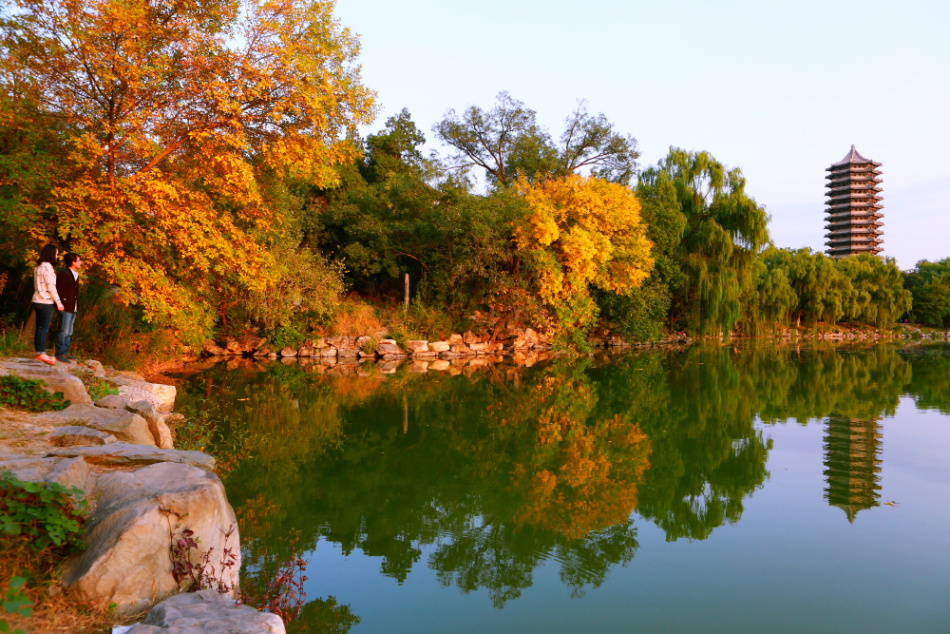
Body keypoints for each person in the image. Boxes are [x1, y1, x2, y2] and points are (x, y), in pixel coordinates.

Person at [32, 244, 64, 365]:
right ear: (51, 254)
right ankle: (41, 354)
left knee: (40, 328)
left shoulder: (38, 266)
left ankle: (39, 352)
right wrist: (59, 302)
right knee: (43, 328)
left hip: (36, 299)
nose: (57, 256)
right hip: (45, 301)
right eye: (56, 254)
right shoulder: (48, 268)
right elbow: (51, 287)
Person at [55, 252, 82, 363]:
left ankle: (65, 351)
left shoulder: (76, 274)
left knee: (69, 331)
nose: (80, 262)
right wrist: (59, 304)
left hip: (73, 306)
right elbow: (58, 290)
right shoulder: (63, 273)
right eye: (79, 260)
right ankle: (59, 353)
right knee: (64, 330)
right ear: (73, 262)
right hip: (65, 306)